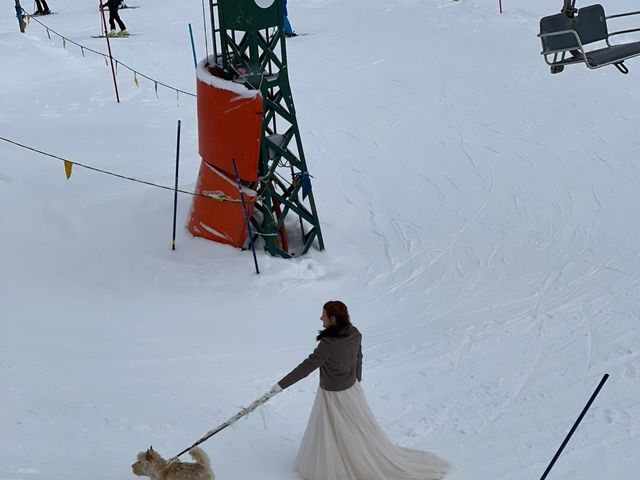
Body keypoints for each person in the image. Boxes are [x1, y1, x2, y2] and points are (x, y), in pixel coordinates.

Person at [269, 300, 452, 480]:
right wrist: (356, 380)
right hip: (351, 390)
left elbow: (306, 367)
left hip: (332, 395)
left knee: (335, 428)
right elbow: (358, 357)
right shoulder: (355, 333)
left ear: (332, 319)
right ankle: (349, 454)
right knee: (352, 427)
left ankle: (345, 461)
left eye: (323, 315)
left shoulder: (328, 344)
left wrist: (280, 386)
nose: (320, 318)